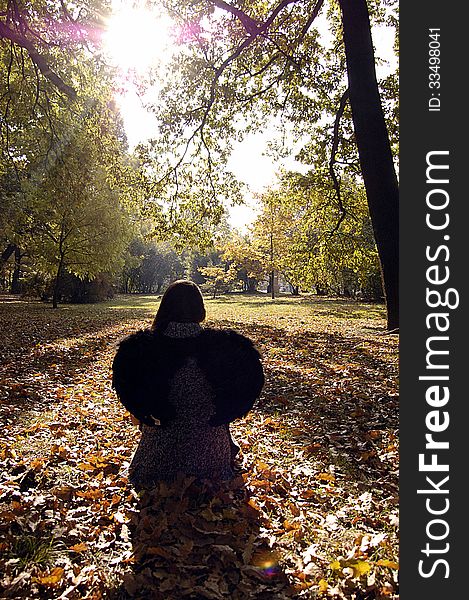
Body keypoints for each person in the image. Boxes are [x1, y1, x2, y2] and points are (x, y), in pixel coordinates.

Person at [112, 280, 264, 487]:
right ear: (200, 309)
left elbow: (129, 392)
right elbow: (251, 383)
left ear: (164, 307)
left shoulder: (140, 349)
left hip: (154, 465)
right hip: (212, 464)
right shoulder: (227, 348)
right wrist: (224, 415)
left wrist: (148, 415)